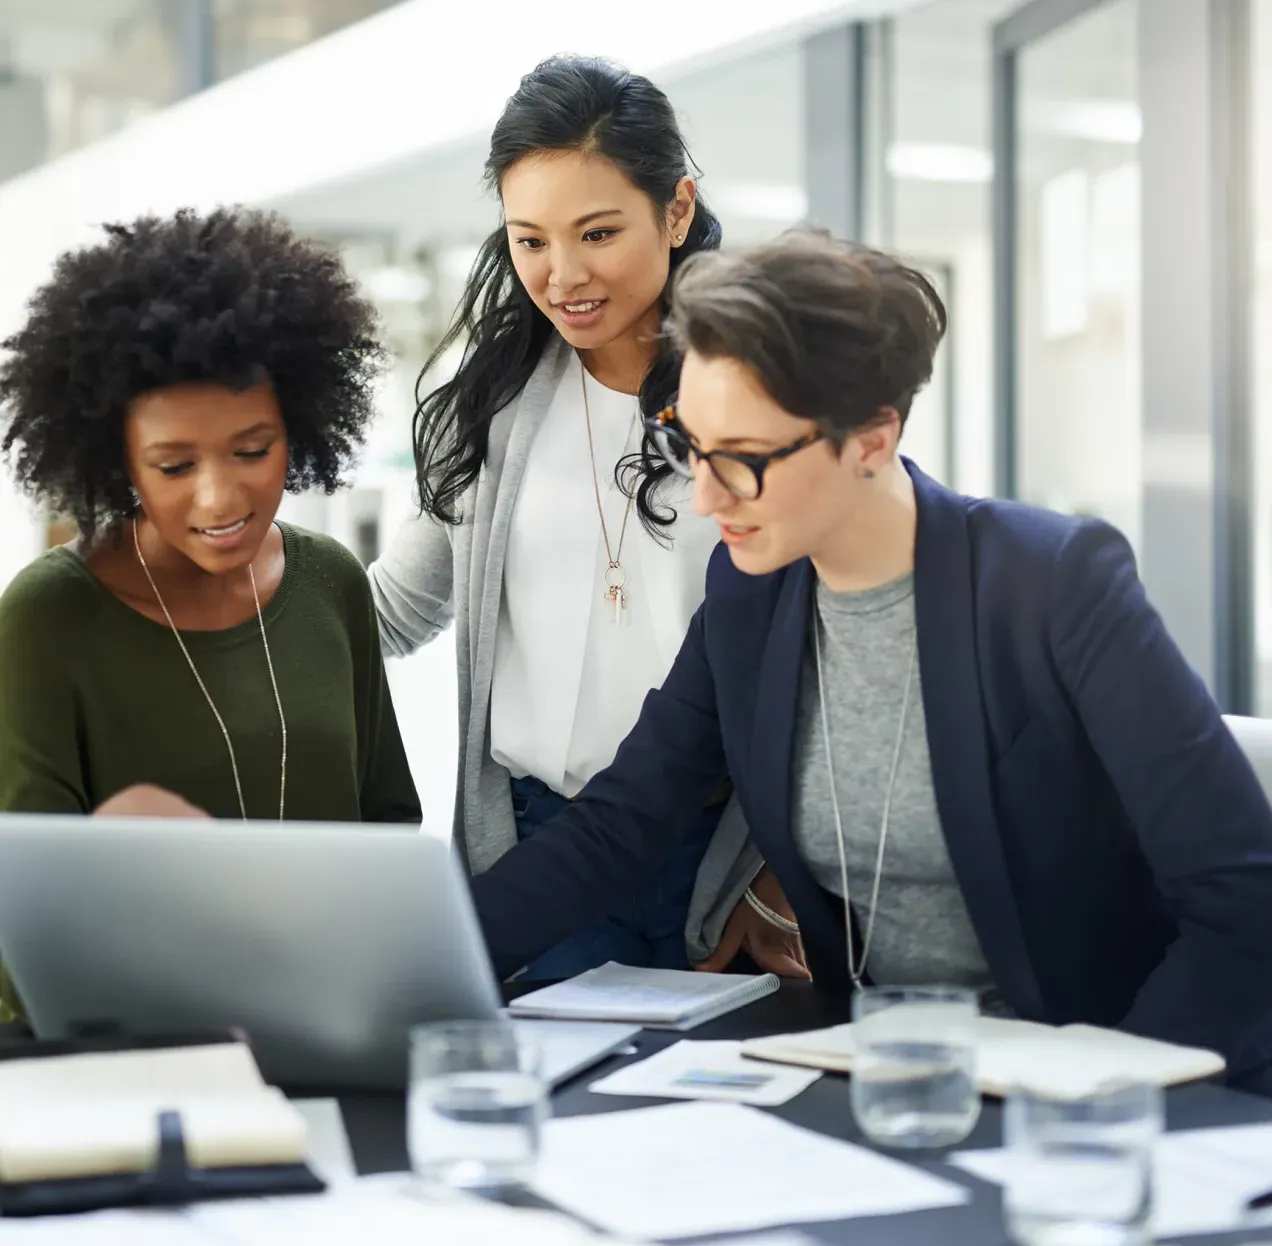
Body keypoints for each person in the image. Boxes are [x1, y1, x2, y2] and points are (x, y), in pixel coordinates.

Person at [469, 228, 1272, 1093]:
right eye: (689, 447)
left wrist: (1096, 1100)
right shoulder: (750, 599)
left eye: (740, 461)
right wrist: (432, 959)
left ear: (871, 439)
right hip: (883, 1080)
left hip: (1099, 1082)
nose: (704, 496)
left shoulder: (1052, 584)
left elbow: (1241, 898)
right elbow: (619, 826)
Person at [369, 55, 805, 979]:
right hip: (536, 849)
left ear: (677, 211)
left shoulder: (761, 398)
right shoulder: (487, 406)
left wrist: (772, 876)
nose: (562, 275)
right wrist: (207, 579)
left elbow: (828, 649)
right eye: (529, 241)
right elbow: (395, 611)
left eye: (598, 232)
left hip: (723, 856)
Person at [0, 206, 421, 830]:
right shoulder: (50, 615)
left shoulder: (332, 581)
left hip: (337, 932)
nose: (220, 500)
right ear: (119, 462)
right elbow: (30, 892)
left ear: (299, 429)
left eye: (252, 451)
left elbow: (389, 822)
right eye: (173, 466)